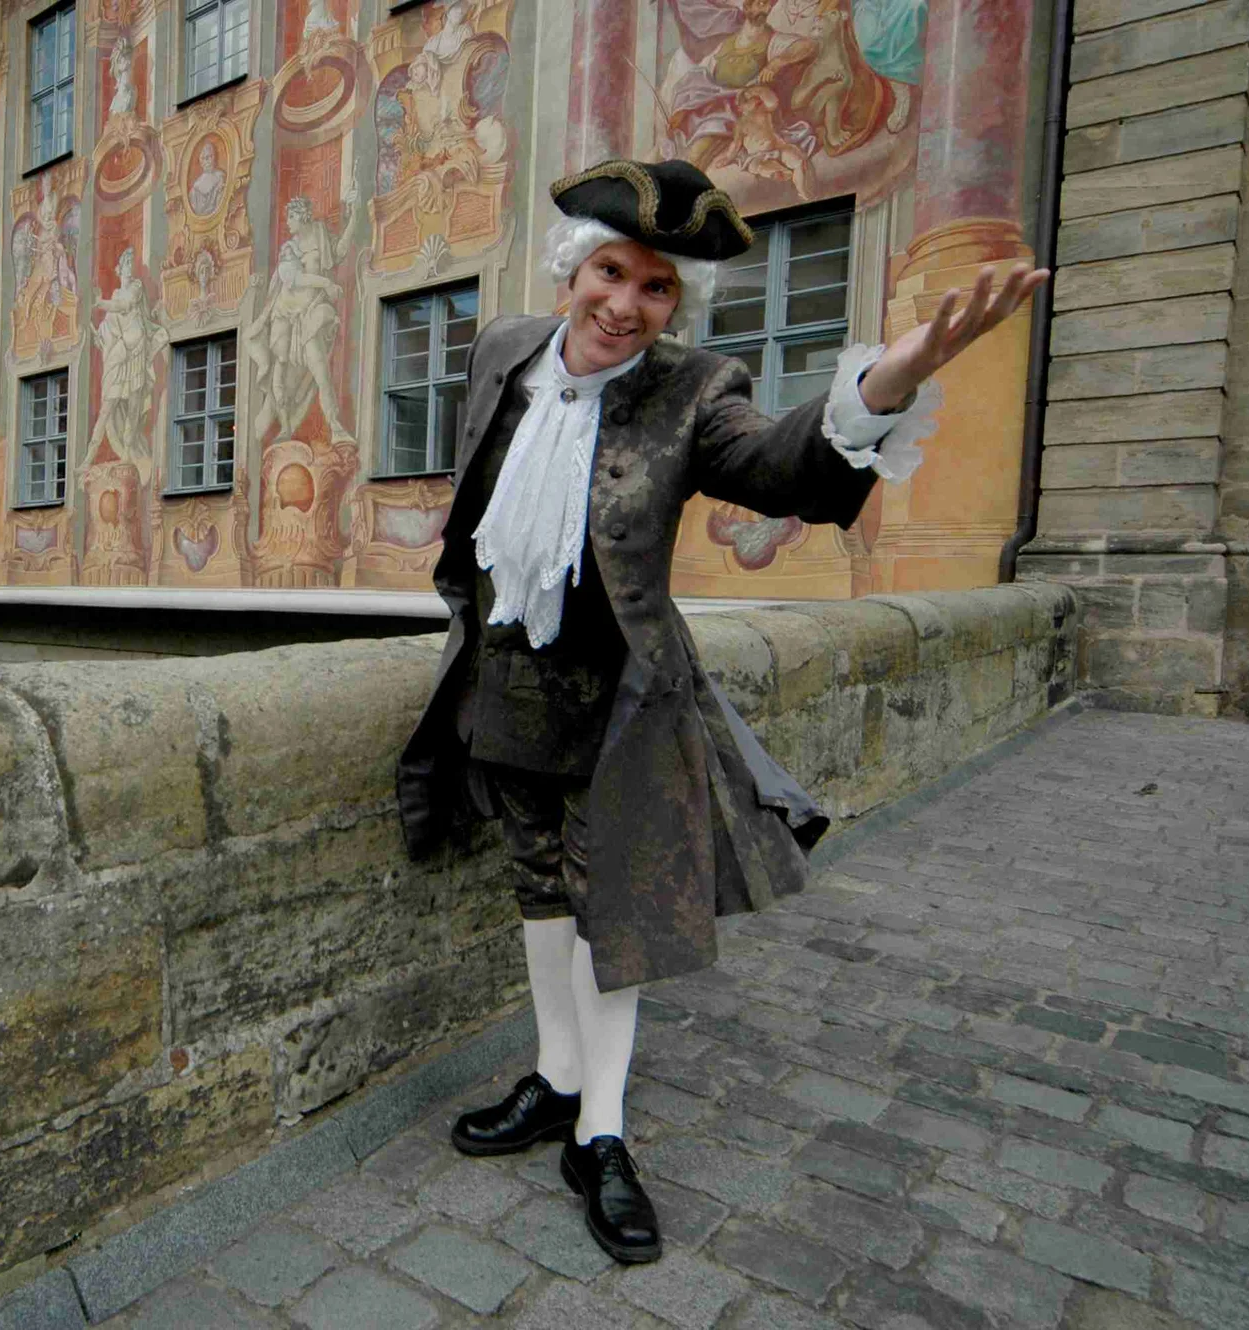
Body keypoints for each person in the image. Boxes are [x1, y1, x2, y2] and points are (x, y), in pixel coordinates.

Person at [396, 158, 1044, 1265]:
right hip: (503, 682)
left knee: (615, 913)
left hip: (622, 704)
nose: (624, 305)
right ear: (572, 270)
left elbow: (780, 467)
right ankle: (555, 1079)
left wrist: (887, 380)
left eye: (655, 288)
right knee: (537, 885)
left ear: (676, 303)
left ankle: (600, 1133)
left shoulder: (693, 390)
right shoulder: (503, 349)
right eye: (610, 273)